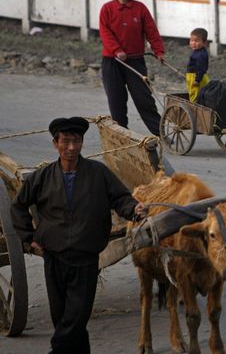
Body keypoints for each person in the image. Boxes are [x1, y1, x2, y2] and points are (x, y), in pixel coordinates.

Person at [11, 117, 148, 354]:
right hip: (53, 257)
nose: (71, 147)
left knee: (76, 317)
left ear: (82, 142)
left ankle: (57, 350)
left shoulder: (99, 173)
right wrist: (28, 239)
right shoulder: (42, 177)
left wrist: (134, 209)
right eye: (66, 141)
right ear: (56, 144)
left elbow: (121, 198)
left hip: (85, 259)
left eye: (76, 141)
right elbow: (18, 206)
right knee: (62, 317)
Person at [99, 0, 165, 136]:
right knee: (117, 101)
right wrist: (117, 50)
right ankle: (122, 135)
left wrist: (159, 51)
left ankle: (160, 134)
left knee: (144, 99)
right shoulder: (107, 9)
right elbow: (105, 33)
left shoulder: (140, 8)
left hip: (135, 61)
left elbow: (152, 31)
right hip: (113, 62)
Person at [186, 27, 210, 103]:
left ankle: (195, 109)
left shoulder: (200, 55)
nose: (193, 43)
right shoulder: (198, 52)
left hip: (196, 77)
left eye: (196, 41)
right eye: (191, 40)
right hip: (197, 76)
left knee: (194, 96)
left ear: (204, 42)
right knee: (201, 94)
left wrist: (197, 80)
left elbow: (201, 68)